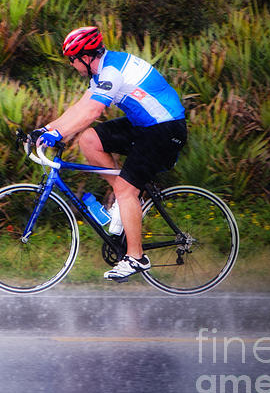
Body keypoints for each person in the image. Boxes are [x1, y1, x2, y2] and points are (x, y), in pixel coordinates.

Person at [33, 26, 187, 281]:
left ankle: (136, 257)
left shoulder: (112, 72)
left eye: (73, 60)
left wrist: (57, 135)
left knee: (127, 189)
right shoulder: (102, 72)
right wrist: (45, 130)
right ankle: (123, 204)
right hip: (145, 126)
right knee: (90, 140)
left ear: (85, 57)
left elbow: (92, 113)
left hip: (165, 129)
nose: (72, 65)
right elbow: (80, 108)